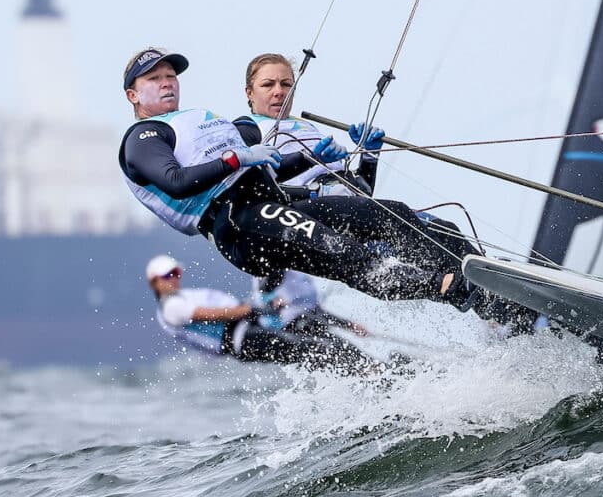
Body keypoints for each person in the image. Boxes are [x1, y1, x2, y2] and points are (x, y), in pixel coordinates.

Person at [119, 47, 479, 312]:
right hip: (237, 222)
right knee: (344, 251)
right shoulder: (142, 137)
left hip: (271, 201)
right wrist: (236, 158)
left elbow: (269, 168)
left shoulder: (198, 117)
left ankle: (471, 282)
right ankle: (444, 286)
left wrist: (312, 157)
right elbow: (176, 181)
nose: (167, 83)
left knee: (388, 214)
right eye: (154, 79)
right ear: (133, 95)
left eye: (170, 76)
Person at [145, 254, 372, 369]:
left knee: (310, 349)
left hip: (250, 329)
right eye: (167, 275)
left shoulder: (183, 297)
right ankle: (365, 373)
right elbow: (216, 315)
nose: (174, 279)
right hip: (241, 340)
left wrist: (262, 309)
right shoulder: (171, 307)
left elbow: (235, 311)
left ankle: (366, 371)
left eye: (175, 273)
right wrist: (254, 310)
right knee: (310, 349)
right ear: (155, 282)